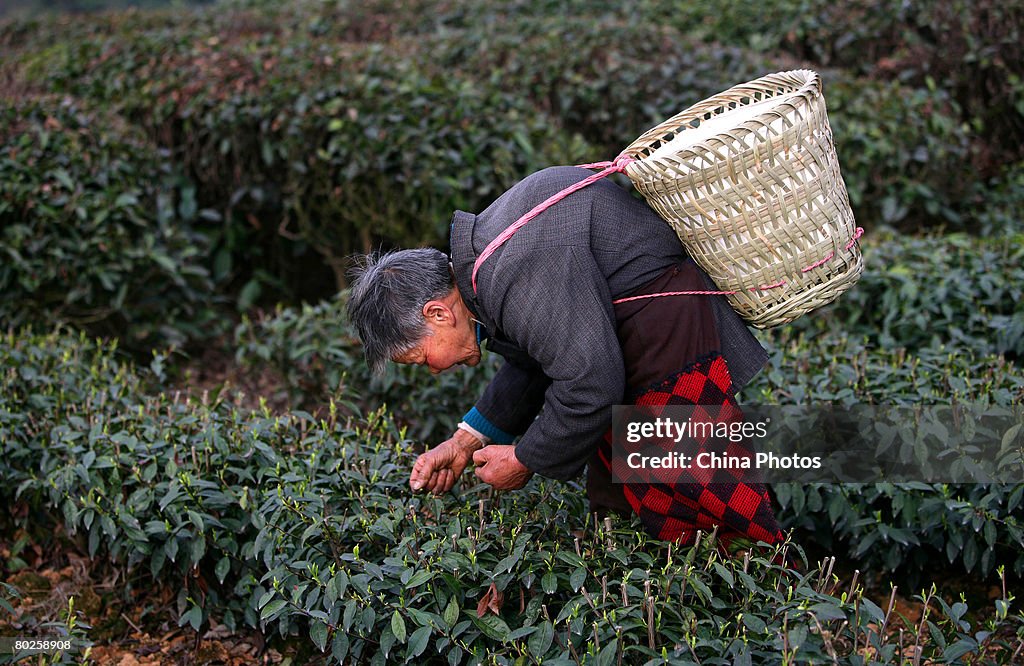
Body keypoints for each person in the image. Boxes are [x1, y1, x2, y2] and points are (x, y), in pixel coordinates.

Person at [347, 166, 783, 547]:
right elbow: (538, 358)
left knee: (704, 499)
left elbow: (589, 384)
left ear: (438, 313)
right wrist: (464, 443)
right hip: (633, 338)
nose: (433, 369)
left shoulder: (513, 268)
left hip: (660, 330)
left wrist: (524, 460)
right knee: (625, 503)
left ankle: (777, 594)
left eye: (421, 358)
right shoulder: (484, 266)